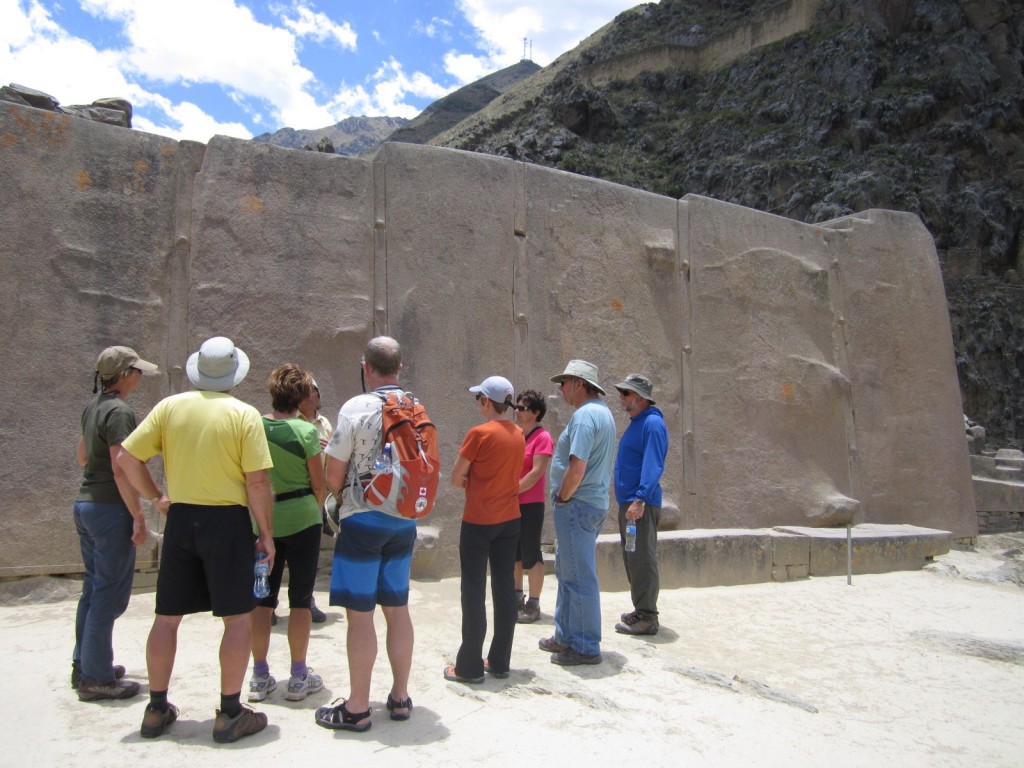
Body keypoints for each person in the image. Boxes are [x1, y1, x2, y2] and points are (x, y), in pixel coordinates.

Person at [118, 336, 276, 744]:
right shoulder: (244, 415)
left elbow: (126, 459)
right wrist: (266, 533)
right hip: (227, 522)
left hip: (182, 519)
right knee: (237, 617)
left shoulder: (170, 406)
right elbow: (256, 481)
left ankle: (156, 708)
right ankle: (229, 712)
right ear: (234, 374)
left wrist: (156, 497)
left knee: (167, 617)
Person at [315, 336, 417, 732]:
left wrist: (340, 502)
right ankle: (401, 696)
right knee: (397, 610)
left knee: (360, 617)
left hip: (362, 521)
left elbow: (335, 473)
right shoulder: (413, 405)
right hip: (404, 521)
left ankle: (357, 708)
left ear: (365, 367)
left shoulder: (355, 408)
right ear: (400, 368)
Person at [72, 345, 161, 702]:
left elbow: (81, 456)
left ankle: (86, 664)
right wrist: (140, 516)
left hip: (85, 505)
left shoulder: (93, 406)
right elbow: (121, 466)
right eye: (137, 370)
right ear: (124, 375)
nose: (141, 375)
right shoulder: (120, 412)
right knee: (109, 595)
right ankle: (96, 677)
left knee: (92, 590)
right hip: (109, 510)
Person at [248, 364, 327, 703]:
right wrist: (315, 507)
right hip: (303, 521)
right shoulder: (306, 431)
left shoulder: (254, 427)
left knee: (262, 600)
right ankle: (297, 675)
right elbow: (319, 484)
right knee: (300, 600)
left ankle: (260, 675)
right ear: (300, 397)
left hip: (262, 523)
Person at [444, 376, 525, 684]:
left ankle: (469, 667)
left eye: (479, 398)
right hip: (509, 519)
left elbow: (455, 477)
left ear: (487, 402)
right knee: (505, 589)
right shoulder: (519, 433)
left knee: (473, 591)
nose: (478, 403)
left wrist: (470, 480)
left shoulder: (478, 434)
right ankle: (500, 661)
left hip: (479, 520)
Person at [539, 360, 615, 666]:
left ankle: (584, 645)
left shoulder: (585, 417)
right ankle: (566, 636)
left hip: (577, 504)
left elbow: (577, 467)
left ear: (580, 384)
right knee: (568, 571)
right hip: (590, 504)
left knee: (579, 576)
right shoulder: (603, 414)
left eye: (565, 382)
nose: (561, 389)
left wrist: (562, 497)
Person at [612, 374, 669, 636]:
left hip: (639, 505)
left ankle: (648, 616)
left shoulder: (653, 424)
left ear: (641, 398)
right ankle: (641, 609)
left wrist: (641, 498)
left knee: (642, 559)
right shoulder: (638, 423)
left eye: (626, 392)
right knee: (632, 558)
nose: (621, 396)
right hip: (631, 503)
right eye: (622, 392)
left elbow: (653, 463)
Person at [513, 389, 553, 624]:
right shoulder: (517, 434)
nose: (517, 411)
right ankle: (516, 597)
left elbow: (537, 472)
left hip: (530, 503)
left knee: (531, 553)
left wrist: (513, 490)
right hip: (512, 502)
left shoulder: (543, 437)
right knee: (513, 553)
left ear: (536, 413)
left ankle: (534, 603)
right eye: (516, 407)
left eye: (522, 408)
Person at [294, 376, 331, 623]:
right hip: (290, 492)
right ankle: (270, 604)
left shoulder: (324, 423)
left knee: (309, 554)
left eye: (313, 392)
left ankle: (307, 600)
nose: (309, 397)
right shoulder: (289, 421)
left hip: (315, 495)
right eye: (303, 392)